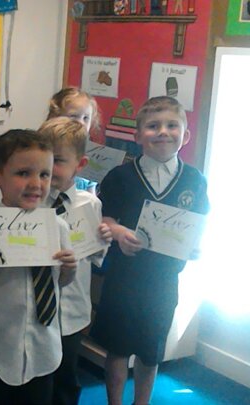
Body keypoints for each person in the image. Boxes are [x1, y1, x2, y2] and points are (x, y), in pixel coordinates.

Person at [91, 96, 209, 405]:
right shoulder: (120, 176)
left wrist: (194, 246)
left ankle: (141, 402)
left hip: (163, 281)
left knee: (151, 350)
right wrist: (119, 233)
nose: (163, 132)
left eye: (172, 125)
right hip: (124, 277)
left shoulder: (194, 180)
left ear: (185, 136)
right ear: (138, 135)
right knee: (117, 348)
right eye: (153, 126)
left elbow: (198, 222)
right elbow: (105, 219)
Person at [0, 129, 77, 404]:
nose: (36, 184)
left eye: (44, 174)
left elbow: (60, 283)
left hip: (44, 348)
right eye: (23, 173)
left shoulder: (58, 227)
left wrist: (70, 269)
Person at [38, 117, 112, 404]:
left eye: (57, 160)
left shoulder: (90, 204)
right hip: (35, 309)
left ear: (80, 165)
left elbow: (96, 256)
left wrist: (103, 239)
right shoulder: (29, 201)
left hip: (72, 309)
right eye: (43, 158)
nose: (48, 167)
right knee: (36, 379)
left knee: (66, 378)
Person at [47, 87, 101, 193]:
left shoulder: (91, 153)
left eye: (86, 118)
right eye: (73, 116)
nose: (81, 123)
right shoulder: (47, 147)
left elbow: (91, 192)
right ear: (55, 117)